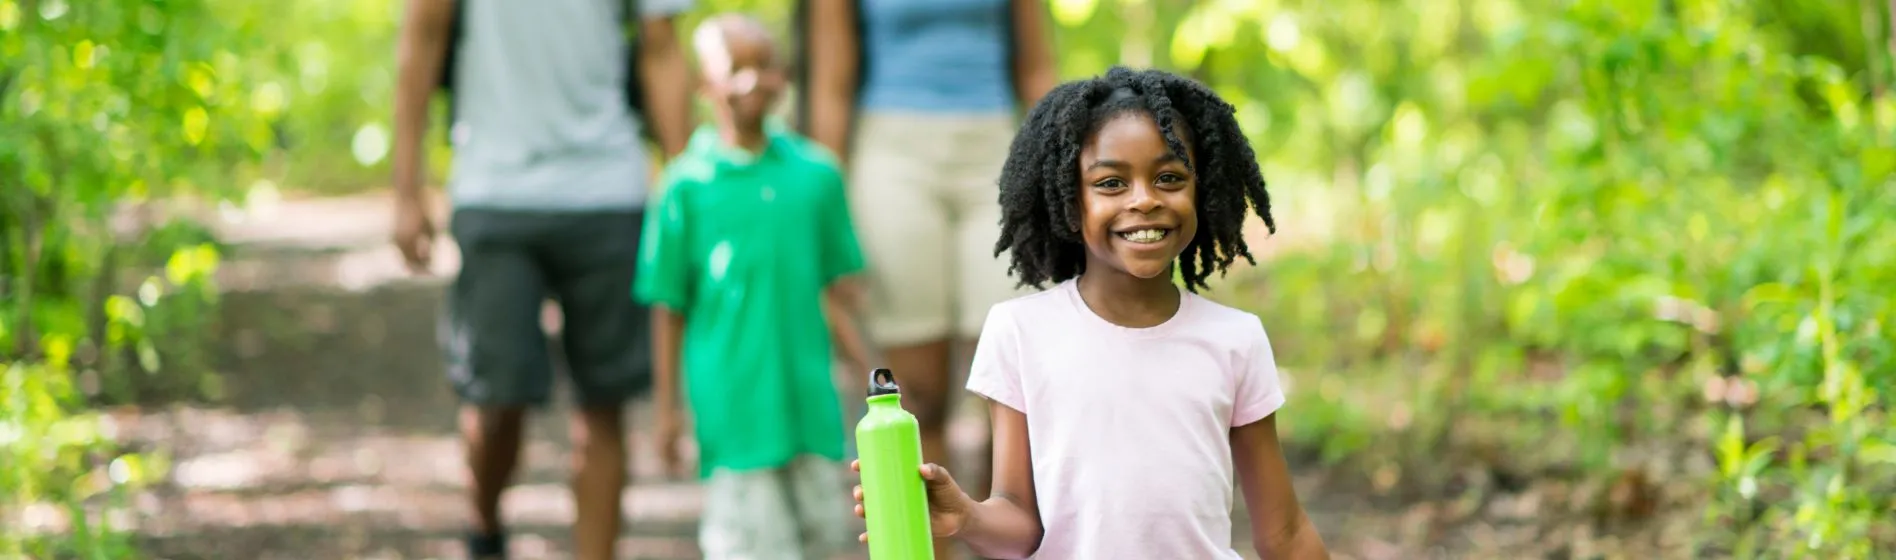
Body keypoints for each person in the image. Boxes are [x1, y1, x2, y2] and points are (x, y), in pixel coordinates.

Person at [851, 67, 1333, 559]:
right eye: (1110, 183)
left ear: (1201, 190)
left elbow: (1285, 533)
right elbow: (1022, 522)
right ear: (1067, 199)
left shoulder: (1235, 340)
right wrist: (966, 516)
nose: (1144, 199)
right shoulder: (1020, 332)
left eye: (1169, 178)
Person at [389, 0, 694, 558]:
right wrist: (407, 189)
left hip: (607, 188)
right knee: (496, 397)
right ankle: (484, 528)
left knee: (603, 405)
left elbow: (663, 49)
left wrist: (688, 188)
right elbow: (423, 35)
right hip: (494, 188)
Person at [799, 3, 1059, 554]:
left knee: (1011, 385)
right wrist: (824, 218)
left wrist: (1058, 181)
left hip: (997, 148)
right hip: (892, 152)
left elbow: (1036, 69)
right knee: (920, 394)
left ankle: (1003, 543)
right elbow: (831, 85)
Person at [636, 14, 876, 559]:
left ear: (784, 75)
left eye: (764, 65)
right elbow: (668, 306)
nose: (752, 81)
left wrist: (872, 377)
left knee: (824, 536)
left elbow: (834, 293)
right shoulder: (685, 186)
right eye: (735, 68)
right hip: (735, 412)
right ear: (705, 86)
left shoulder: (817, 176)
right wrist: (667, 411)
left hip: (810, 409)